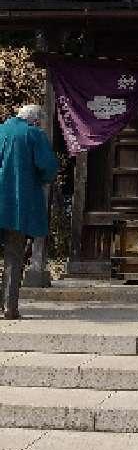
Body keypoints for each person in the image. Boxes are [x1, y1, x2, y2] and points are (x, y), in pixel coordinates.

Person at [0, 104, 59, 319]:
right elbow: (48, 166)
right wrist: (40, 180)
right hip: (16, 206)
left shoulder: (1, 130)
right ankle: (9, 307)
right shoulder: (33, 134)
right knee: (14, 256)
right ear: (34, 120)